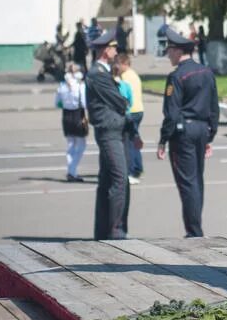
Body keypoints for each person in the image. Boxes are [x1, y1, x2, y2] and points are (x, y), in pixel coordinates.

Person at [156, 28, 219, 238]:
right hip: (202, 129)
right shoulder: (206, 72)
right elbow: (213, 107)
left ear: (178, 50)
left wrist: (163, 139)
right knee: (197, 180)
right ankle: (195, 228)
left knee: (187, 183)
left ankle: (194, 232)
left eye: (169, 50)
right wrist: (210, 135)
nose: (168, 54)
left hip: (183, 132)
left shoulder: (176, 77)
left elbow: (171, 113)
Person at [85, 28, 142, 240]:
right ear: (104, 50)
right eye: (113, 47)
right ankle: (116, 231)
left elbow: (117, 99)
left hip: (112, 130)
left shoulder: (102, 72)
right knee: (120, 180)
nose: (115, 51)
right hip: (110, 130)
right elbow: (120, 100)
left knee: (108, 180)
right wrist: (122, 102)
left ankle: (103, 231)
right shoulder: (98, 75)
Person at [55, 63, 88, 182]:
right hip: (78, 115)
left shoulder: (62, 85)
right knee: (82, 145)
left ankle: (71, 171)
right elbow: (84, 103)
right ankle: (72, 171)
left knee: (70, 145)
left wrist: (66, 102)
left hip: (66, 116)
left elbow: (57, 103)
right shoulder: (81, 86)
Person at [118, 53, 145, 183]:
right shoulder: (134, 75)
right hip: (139, 110)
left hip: (131, 111)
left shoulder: (124, 77)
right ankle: (138, 167)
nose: (117, 67)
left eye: (118, 64)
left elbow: (123, 95)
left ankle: (132, 169)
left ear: (124, 64)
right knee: (134, 139)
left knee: (128, 142)